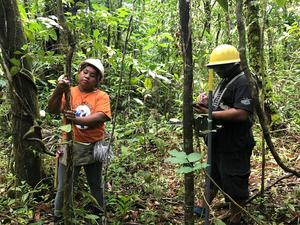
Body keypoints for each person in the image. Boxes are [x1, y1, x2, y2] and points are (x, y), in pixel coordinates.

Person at [193, 44, 256, 225]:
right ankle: (202, 207)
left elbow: (242, 113)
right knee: (213, 175)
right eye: (217, 68)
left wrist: (209, 114)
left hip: (235, 143)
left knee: (235, 180)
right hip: (219, 141)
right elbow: (222, 106)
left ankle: (236, 218)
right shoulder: (225, 80)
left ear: (234, 64)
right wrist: (205, 103)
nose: (218, 71)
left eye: (222, 67)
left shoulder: (244, 81)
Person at [47, 58, 111, 222]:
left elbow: (101, 117)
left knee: (95, 184)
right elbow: (52, 109)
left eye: (93, 75)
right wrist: (58, 90)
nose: (87, 76)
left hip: (94, 146)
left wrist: (76, 120)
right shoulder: (69, 92)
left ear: (98, 80)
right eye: (85, 72)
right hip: (70, 145)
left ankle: (98, 214)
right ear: (79, 73)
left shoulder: (101, 96)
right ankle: (59, 216)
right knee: (64, 185)